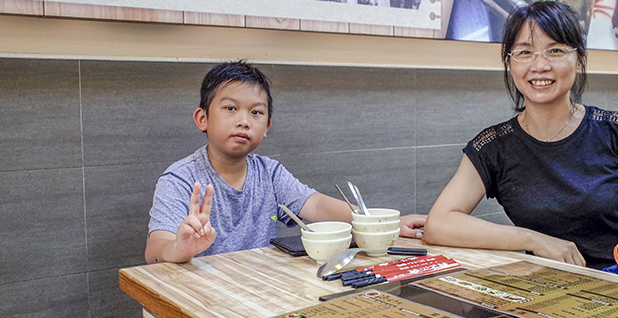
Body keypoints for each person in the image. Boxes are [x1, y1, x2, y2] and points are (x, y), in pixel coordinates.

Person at [424, 0, 618, 294]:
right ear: (509, 64)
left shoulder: (616, 131)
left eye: (555, 51)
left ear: (578, 62)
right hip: (559, 295)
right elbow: (440, 223)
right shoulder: (493, 146)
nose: (540, 65)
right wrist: (533, 239)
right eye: (525, 52)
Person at [146, 60, 425, 263]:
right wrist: (179, 248)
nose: (244, 121)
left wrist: (381, 223)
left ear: (267, 127)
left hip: (261, 290)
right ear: (202, 118)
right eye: (230, 108)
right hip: (202, 296)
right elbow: (155, 250)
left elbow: (316, 205)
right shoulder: (180, 178)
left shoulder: (269, 172)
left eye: (256, 113)